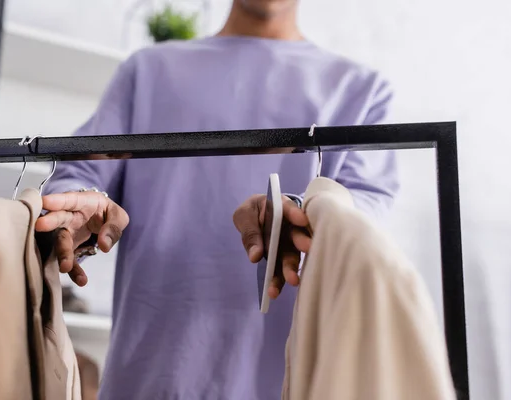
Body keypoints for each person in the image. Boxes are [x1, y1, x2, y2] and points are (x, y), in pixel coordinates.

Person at [35, 0, 400, 398]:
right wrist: (74, 208)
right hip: (149, 379)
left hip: (292, 383)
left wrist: (292, 213)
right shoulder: (148, 71)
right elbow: (84, 174)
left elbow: (364, 212)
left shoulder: (361, 91)